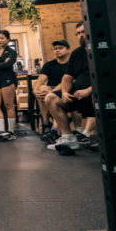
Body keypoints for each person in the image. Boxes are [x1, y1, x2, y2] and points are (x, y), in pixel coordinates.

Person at [45, 22, 93, 151]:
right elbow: (67, 77)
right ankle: (69, 138)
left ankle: (86, 133)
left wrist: (89, 91)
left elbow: (114, 76)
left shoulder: (104, 49)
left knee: (97, 97)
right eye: (78, 33)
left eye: (83, 31)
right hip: (76, 95)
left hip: (94, 94)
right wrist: (65, 92)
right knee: (50, 98)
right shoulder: (77, 53)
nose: (81, 35)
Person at [34, 40, 71, 141]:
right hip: (51, 90)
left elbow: (67, 81)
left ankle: (54, 130)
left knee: (52, 96)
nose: (57, 50)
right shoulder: (49, 65)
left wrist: (52, 93)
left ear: (68, 50)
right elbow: (41, 79)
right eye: (55, 49)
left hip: (65, 90)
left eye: (60, 48)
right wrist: (35, 90)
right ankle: (46, 123)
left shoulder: (72, 64)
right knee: (41, 88)